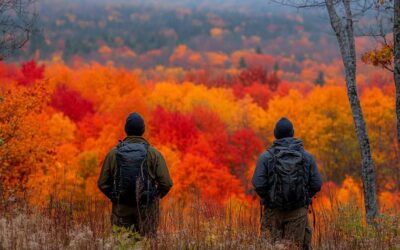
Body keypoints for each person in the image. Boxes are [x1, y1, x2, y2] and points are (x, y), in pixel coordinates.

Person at [98, 112, 173, 237]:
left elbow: (102, 183)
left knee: (123, 243)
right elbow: (167, 183)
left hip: (121, 209)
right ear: (143, 130)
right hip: (147, 209)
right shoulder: (153, 153)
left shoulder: (113, 153)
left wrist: (115, 197)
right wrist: (154, 197)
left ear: (126, 130)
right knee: (147, 243)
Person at [252, 117, 322, 249]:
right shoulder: (306, 156)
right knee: (294, 247)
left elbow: (258, 183)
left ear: (275, 134)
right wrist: (304, 197)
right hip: (298, 211)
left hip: (272, 212)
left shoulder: (266, 157)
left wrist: (269, 198)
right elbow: (317, 184)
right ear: (292, 132)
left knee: (270, 247)